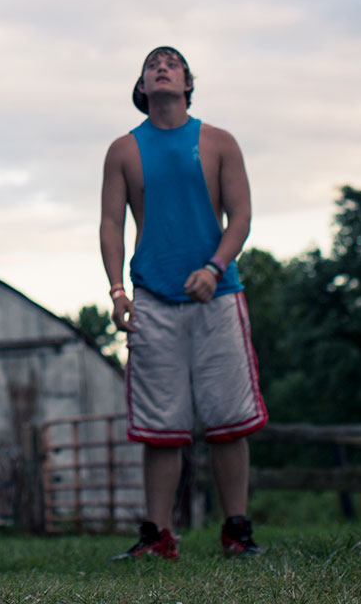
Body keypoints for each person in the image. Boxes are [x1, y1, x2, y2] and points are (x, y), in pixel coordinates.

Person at [99, 47, 265, 561]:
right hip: (151, 298)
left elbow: (240, 215)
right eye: (152, 65)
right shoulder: (124, 150)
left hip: (218, 296)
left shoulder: (218, 142)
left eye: (172, 63)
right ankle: (158, 536)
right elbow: (110, 223)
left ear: (188, 82)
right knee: (160, 428)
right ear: (142, 86)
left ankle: (236, 531)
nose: (162, 68)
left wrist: (214, 268)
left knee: (228, 419)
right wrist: (117, 291)